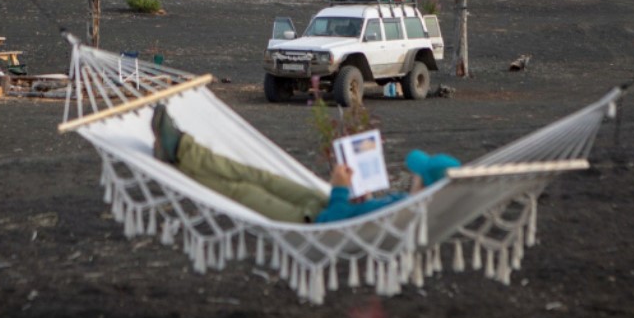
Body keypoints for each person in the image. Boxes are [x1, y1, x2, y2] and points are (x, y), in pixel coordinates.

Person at [151, 104, 460, 224]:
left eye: (418, 176)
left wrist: (340, 189)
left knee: (243, 190)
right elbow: (363, 214)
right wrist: (358, 194)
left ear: (427, 189)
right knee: (258, 175)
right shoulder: (408, 204)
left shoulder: (408, 214)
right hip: (327, 204)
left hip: (314, 223)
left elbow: (337, 227)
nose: (412, 177)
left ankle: (177, 154)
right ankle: (183, 146)